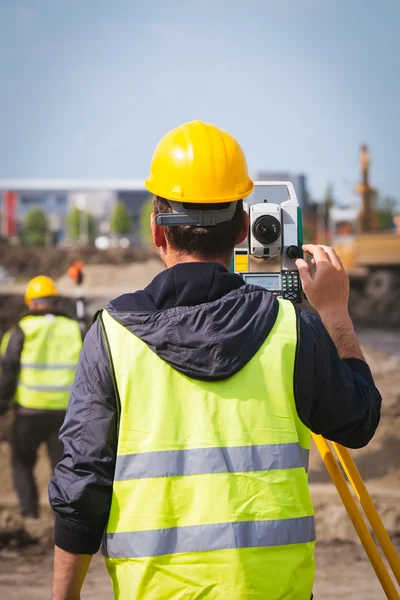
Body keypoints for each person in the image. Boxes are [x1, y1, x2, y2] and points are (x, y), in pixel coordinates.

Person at [49, 121, 381, 600]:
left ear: (156, 231)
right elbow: (360, 419)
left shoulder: (112, 337)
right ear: (245, 228)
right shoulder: (292, 330)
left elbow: (81, 486)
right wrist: (333, 315)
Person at [0, 275, 82, 523]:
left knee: (22, 463)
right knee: (63, 468)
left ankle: (29, 515)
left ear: (31, 303)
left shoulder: (21, 330)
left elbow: (7, 370)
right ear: (55, 301)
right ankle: (64, 518)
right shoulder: (75, 329)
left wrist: (2, 404)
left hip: (29, 411)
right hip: (65, 413)